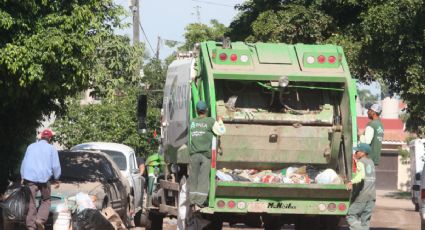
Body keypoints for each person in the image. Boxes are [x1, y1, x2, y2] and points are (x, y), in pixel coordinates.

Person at [20, 128, 61, 230]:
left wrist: (22, 176)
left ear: (41, 137)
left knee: (31, 202)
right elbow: (55, 166)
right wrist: (57, 178)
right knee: (46, 200)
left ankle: (30, 226)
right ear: (50, 138)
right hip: (44, 179)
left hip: (30, 179)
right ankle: (40, 219)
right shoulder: (52, 149)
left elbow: (24, 163)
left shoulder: (31, 146)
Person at [189, 101, 226, 209]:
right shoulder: (210, 121)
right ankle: (199, 202)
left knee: (193, 178)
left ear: (196, 111)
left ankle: (192, 201)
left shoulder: (192, 122)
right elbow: (221, 131)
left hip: (194, 155)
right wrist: (220, 121)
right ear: (207, 110)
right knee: (203, 179)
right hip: (206, 155)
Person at [346, 143, 376, 230]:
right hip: (372, 195)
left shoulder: (361, 162)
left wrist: (351, 182)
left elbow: (361, 175)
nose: (355, 153)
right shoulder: (371, 162)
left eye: (357, 151)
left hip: (363, 195)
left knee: (350, 215)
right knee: (365, 220)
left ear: (363, 153)